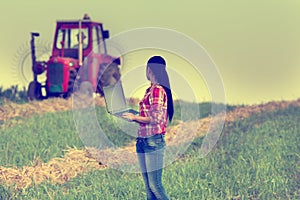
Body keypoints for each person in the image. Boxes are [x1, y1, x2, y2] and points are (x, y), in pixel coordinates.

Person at [123, 56, 174, 200]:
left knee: (155, 186)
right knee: (149, 189)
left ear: (149, 69)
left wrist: (134, 118)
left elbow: (155, 119)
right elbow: (148, 116)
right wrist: (134, 116)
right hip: (143, 141)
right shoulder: (149, 90)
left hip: (153, 142)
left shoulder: (157, 90)